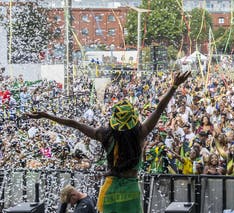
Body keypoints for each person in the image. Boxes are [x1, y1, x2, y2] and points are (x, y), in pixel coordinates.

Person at [27, 71, 191, 213]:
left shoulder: (104, 134)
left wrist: (46, 115)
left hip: (110, 188)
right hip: (131, 190)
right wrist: (174, 86)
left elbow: (74, 123)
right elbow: (159, 108)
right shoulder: (140, 133)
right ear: (132, 120)